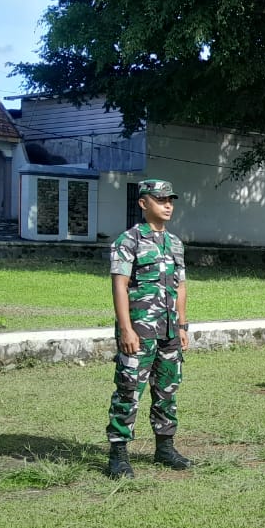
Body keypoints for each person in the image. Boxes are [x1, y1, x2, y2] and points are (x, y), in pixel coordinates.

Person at [106, 179, 192, 479]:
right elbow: (119, 285)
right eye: (160, 199)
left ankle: (165, 448)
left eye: (170, 200)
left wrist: (182, 326)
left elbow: (181, 287)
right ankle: (118, 454)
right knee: (129, 390)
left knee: (167, 389)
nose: (168, 205)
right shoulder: (128, 241)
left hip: (169, 331)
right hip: (139, 331)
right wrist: (126, 329)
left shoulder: (175, 243)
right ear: (143, 203)